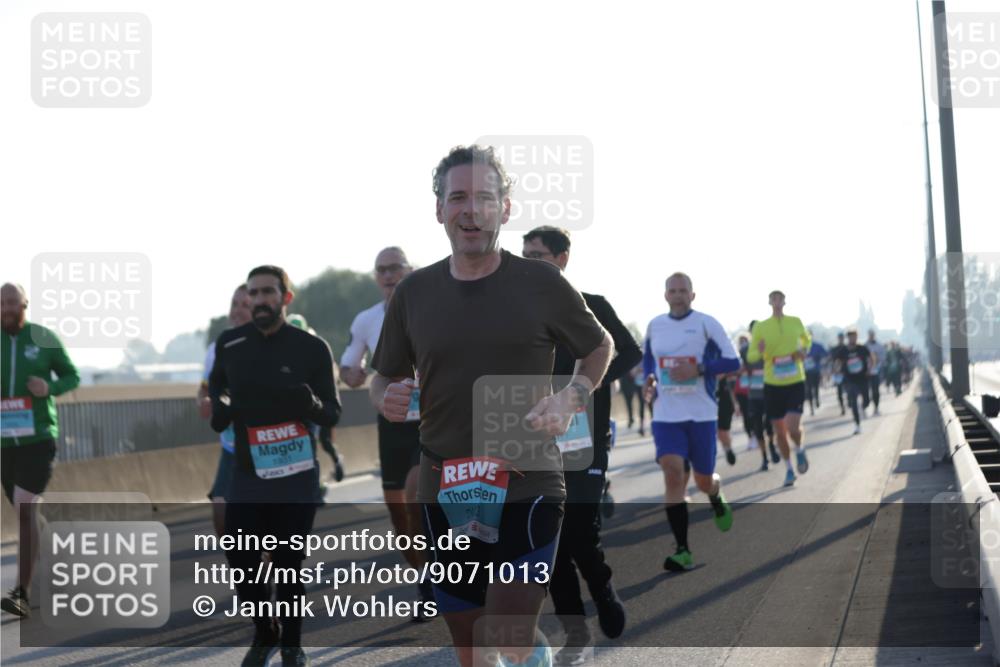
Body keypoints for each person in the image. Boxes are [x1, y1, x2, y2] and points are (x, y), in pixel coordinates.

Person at [370, 145, 614, 667]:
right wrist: (384, 395)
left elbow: (600, 345)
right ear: (439, 210)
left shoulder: (541, 283)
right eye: (458, 197)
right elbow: (382, 375)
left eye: (484, 197)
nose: (471, 210)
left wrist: (572, 395)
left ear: (504, 208)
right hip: (447, 486)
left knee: (504, 633)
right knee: (472, 650)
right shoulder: (414, 293)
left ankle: (528, 653)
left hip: (528, 479)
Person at [209, 266, 341, 667]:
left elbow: (333, 413)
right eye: (253, 293)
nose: (259, 300)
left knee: (287, 560)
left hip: (296, 473)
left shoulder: (311, 348)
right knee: (240, 555)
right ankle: (265, 631)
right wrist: (221, 406)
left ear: (286, 297)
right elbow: (218, 388)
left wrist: (312, 406)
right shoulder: (231, 344)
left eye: (268, 292)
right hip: (248, 472)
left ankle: (292, 644)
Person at [522, 225, 640, 664]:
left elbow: (629, 353)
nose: (529, 262)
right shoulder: (518, 311)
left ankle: (604, 591)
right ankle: (575, 630)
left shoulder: (594, 306)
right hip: (536, 438)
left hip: (585, 437)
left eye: (538, 255)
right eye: (524, 254)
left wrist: (583, 386)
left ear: (562, 258)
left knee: (580, 535)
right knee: (550, 540)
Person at [340, 247, 434, 620]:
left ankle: (434, 583)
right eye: (382, 270)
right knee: (400, 517)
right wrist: (353, 375)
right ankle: (426, 576)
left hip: (432, 421)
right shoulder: (366, 320)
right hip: (392, 420)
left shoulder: (432, 308)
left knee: (416, 494)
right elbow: (349, 367)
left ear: (410, 270)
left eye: (395, 267)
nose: (389, 275)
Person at [641, 273, 739, 572]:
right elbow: (649, 360)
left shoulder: (707, 324)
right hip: (666, 414)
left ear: (692, 295)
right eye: (673, 290)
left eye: (683, 290)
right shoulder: (655, 325)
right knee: (672, 474)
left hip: (701, 414)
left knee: (703, 480)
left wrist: (699, 369)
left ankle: (715, 493)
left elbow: (733, 362)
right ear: (665, 295)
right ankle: (683, 550)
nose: (678, 295)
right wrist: (650, 380)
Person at [1, 283, 80, 619]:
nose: (6, 309)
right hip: (4, 443)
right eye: (2, 304)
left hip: (39, 439)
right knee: (27, 513)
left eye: (12, 304)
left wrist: (49, 387)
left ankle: (21, 593)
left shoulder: (43, 338)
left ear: (25, 305)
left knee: (24, 507)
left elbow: (72, 376)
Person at [197, 284, 253, 537]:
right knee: (221, 517)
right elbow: (205, 388)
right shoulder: (217, 347)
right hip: (231, 445)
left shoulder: (271, 344)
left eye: (245, 306)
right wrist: (205, 401)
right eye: (234, 304)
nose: (237, 311)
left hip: (266, 446)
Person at [746, 290, 812, 487]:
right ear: (769, 302)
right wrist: (759, 349)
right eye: (773, 298)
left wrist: (802, 351)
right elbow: (750, 357)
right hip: (773, 384)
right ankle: (789, 469)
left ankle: (799, 450)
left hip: (795, 381)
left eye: (779, 298)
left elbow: (806, 341)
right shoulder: (761, 327)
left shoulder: (795, 321)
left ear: (784, 301)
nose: (776, 301)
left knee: (792, 428)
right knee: (780, 432)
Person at [286, 313, 345, 484]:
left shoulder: (316, 348)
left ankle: (335, 463)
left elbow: (334, 379)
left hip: (322, 406)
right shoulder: (282, 350)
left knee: (323, 442)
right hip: (303, 410)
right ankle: (315, 483)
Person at [740, 325, 778, 471]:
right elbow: (741, 367)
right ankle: (764, 458)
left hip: (768, 392)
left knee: (769, 425)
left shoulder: (770, 347)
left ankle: (772, 446)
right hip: (753, 395)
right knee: (757, 427)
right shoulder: (744, 350)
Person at [833, 328, 872, 434]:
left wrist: (869, 369)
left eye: (854, 336)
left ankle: (864, 408)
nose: (852, 338)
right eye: (850, 337)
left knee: (867, 400)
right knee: (853, 402)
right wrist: (836, 369)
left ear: (857, 337)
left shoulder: (862, 348)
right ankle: (857, 425)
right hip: (849, 379)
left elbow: (870, 359)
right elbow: (837, 361)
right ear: (848, 338)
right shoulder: (844, 350)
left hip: (862, 377)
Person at [619, 363, 647, 436]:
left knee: (642, 403)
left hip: (641, 379)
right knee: (629, 401)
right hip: (628, 380)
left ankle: (641, 425)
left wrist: (641, 369)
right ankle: (631, 419)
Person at [804, 334, 827, 416]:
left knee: (816, 387)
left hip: (815, 371)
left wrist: (818, 357)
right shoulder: (800, 347)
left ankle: (817, 399)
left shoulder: (817, 345)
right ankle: (811, 408)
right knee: (808, 389)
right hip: (805, 372)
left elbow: (825, 354)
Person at [866, 329, 885, 416]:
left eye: (872, 334)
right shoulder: (864, 346)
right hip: (866, 372)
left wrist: (876, 361)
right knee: (865, 390)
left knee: (875, 390)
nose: (871, 336)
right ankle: (866, 405)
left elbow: (883, 358)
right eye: (870, 334)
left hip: (876, 371)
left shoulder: (879, 346)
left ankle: (876, 408)